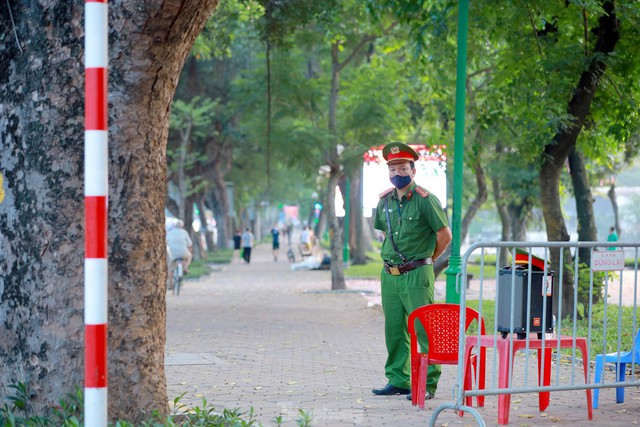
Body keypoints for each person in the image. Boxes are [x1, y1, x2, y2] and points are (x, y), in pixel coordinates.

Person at [371, 141, 452, 402]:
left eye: (403, 168)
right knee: (394, 329)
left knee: (424, 329)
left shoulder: (426, 200)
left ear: (413, 171)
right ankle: (399, 379)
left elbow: (445, 235)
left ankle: (428, 383)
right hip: (390, 275)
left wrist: (428, 258)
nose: (397, 173)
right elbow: (385, 232)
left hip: (417, 274)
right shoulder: (384, 201)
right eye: (393, 168)